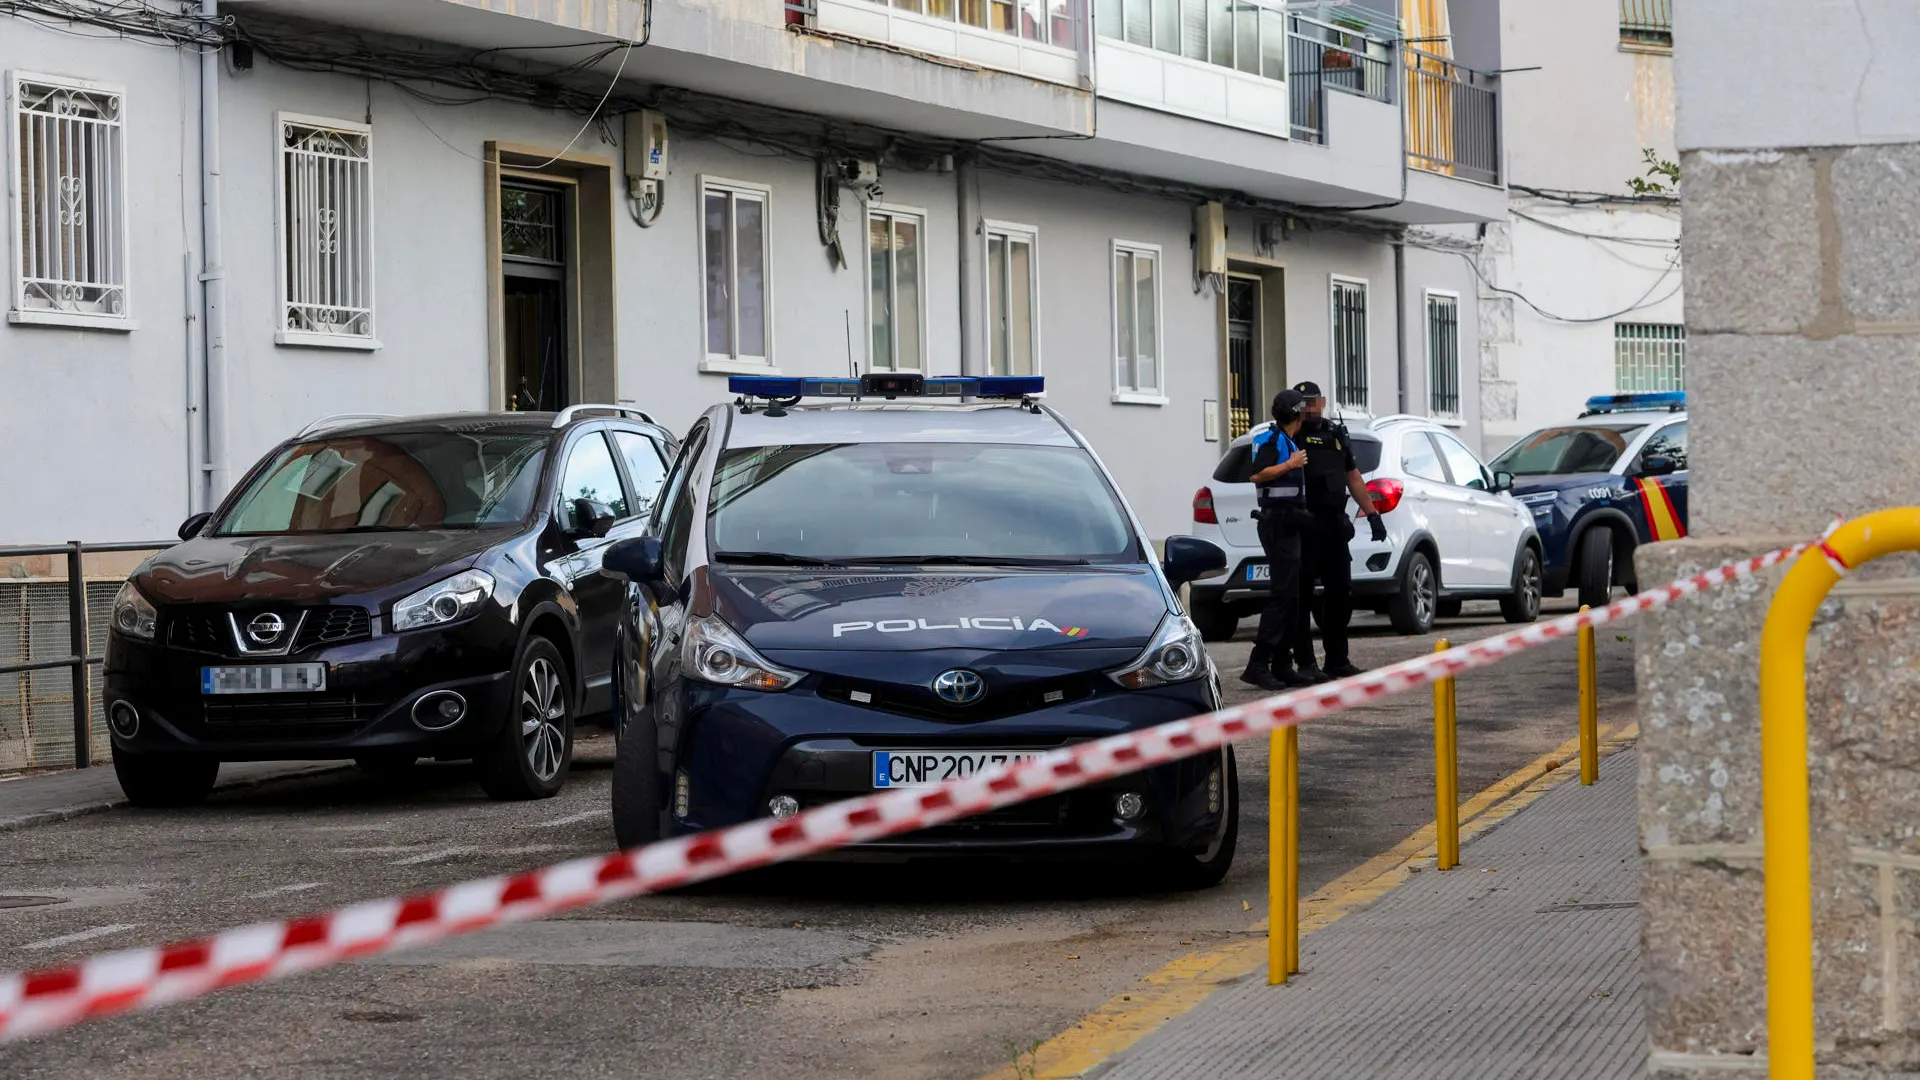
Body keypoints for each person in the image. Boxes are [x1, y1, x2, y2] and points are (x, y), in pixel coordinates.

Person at [1290, 381, 1387, 682]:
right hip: (1304, 524)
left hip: (1334, 523)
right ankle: (1305, 663)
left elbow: (1353, 478)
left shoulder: (1335, 434)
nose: (1308, 407)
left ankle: (1337, 660)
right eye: (1302, 402)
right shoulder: (1290, 436)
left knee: (1340, 594)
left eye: (1312, 401)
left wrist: (1372, 514)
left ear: (1323, 402)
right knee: (1301, 597)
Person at [1240, 389, 1312, 692]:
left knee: (1292, 596)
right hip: (1277, 524)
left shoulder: (1284, 439)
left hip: (1287, 524)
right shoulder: (1273, 440)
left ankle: (1283, 663)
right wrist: (1290, 465)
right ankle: (1258, 664)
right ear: (1297, 415)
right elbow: (1257, 475)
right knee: (1282, 595)